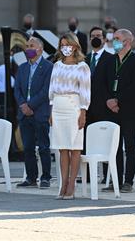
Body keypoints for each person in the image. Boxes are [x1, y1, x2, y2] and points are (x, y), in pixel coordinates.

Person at [49, 32, 90, 199]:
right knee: (62, 148)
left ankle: (72, 185)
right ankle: (63, 184)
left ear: (76, 46)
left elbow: (85, 91)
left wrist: (83, 112)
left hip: (74, 107)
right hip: (57, 106)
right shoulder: (57, 65)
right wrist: (51, 111)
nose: (66, 48)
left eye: (69, 44)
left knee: (74, 148)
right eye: (63, 45)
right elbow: (51, 89)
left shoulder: (82, 67)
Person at [102, 29, 135, 193]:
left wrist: (118, 99)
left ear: (127, 41)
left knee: (130, 145)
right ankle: (116, 179)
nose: (114, 42)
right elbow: (103, 83)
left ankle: (128, 181)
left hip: (130, 109)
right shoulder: (110, 61)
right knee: (115, 146)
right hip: (112, 110)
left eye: (117, 39)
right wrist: (109, 100)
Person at [14, 37, 53, 188]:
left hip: (40, 112)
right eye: (27, 46)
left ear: (40, 49)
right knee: (28, 147)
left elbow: (46, 90)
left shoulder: (48, 67)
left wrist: (30, 105)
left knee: (43, 146)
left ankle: (46, 177)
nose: (28, 48)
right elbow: (17, 89)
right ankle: (31, 177)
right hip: (24, 114)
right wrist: (23, 105)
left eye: (32, 46)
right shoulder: (22, 67)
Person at [83, 26, 112, 183]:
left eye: (99, 36)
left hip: (104, 107)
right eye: (93, 35)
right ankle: (87, 175)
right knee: (87, 141)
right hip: (87, 107)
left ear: (104, 39)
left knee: (105, 141)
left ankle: (107, 176)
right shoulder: (85, 59)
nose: (96, 38)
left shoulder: (110, 58)